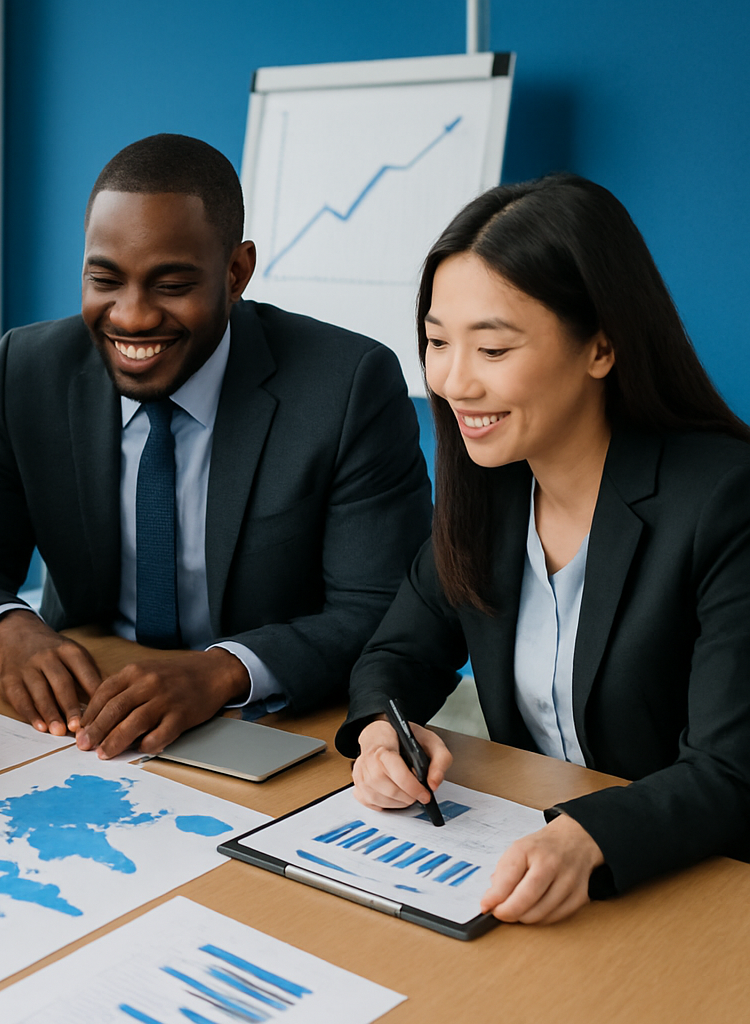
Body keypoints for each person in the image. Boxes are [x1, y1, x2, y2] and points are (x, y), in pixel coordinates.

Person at [338, 173, 750, 924]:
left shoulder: (726, 500)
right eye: (436, 342)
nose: (453, 381)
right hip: (533, 876)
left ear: (602, 345)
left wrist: (591, 836)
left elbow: (732, 771)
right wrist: (382, 736)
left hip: (699, 891)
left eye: (492, 347)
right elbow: (393, 655)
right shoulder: (492, 491)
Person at [0, 134, 430, 758]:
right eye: (105, 279)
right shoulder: (29, 370)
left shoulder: (345, 385)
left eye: (170, 285)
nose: (133, 316)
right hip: (88, 720)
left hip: (273, 727)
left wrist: (224, 670)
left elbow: (384, 606)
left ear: (235, 273)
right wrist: (9, 627)